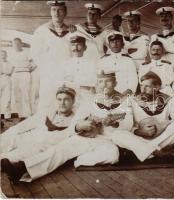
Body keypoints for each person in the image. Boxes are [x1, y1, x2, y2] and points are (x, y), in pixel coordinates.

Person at [0, 71, 133, 183]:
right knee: (59, 150)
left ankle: (78, 160)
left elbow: (128, 125)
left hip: (108, 140)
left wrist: (113, 123)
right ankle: (23, 168)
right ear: (97, 84)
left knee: (112, 155)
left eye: (108, 81)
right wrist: (81, 125)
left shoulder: (124, 102)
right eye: (100, 82)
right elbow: (75, 122)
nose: (104, 85)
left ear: (115, 83)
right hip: (87, 138)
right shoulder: (90, 101)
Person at [111, 71, 174, 162]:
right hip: (139, 137)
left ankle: (145, 150)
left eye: (147, 86)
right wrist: (138, 131)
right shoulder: (132, 100)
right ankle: (155, 151)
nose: (143, 90)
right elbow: (127, 123)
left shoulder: (169, 100)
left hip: (161, 138)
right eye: (141, 86)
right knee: (117, 135)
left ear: (157, 87)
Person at [0, 84, 76, 163]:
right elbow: (24, 125)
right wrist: (8, 135)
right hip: (27, 138)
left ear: (73, 101)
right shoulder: (47, 113)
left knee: (11, 156)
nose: (62, 103)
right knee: (9, 138)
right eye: (59, 99)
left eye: (66, 99)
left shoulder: (74, 121)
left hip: (38, 147)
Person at [30, 1, 75, 111]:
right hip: (49, 73)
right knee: (47, 99)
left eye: (60, 10)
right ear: (50, 12)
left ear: (65, 12)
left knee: (66, 98)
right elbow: (35, 54)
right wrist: (48, 66)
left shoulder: (71, 31)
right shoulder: (42, 30)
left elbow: (75, 52)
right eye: (54, 10)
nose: (57, 13)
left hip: (66, 72)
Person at [62, 35, 97, 104]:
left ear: (85, 47)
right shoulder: (65, 64)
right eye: (73, 45)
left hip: (87, 96)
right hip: (70, 96)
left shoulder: (92, 64)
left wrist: (73, 83)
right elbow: (63, 83)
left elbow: (93, 84)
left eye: (79, 45)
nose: (75, 48)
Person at [9, 38, 36, 118]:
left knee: (26, 94)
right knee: (16, 95)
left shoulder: (27, 52)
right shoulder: (11, 54)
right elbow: (11, 66)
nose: (16, 45)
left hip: (25, 74)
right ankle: (20, 115)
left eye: (18, 43)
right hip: (15, 75)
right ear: (12, 45)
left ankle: (28, 114)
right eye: (14, 44)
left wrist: (29, 70)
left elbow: (34, 64)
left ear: (21, 44)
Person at [0, 50, 14, 119]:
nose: (3, 56)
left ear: (6, 55)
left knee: (8, 99)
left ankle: (7, 117)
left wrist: (5, 72)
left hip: (7, 79)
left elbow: (10, 72)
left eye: (4, 54)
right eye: (1, 55)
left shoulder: (10, 63)